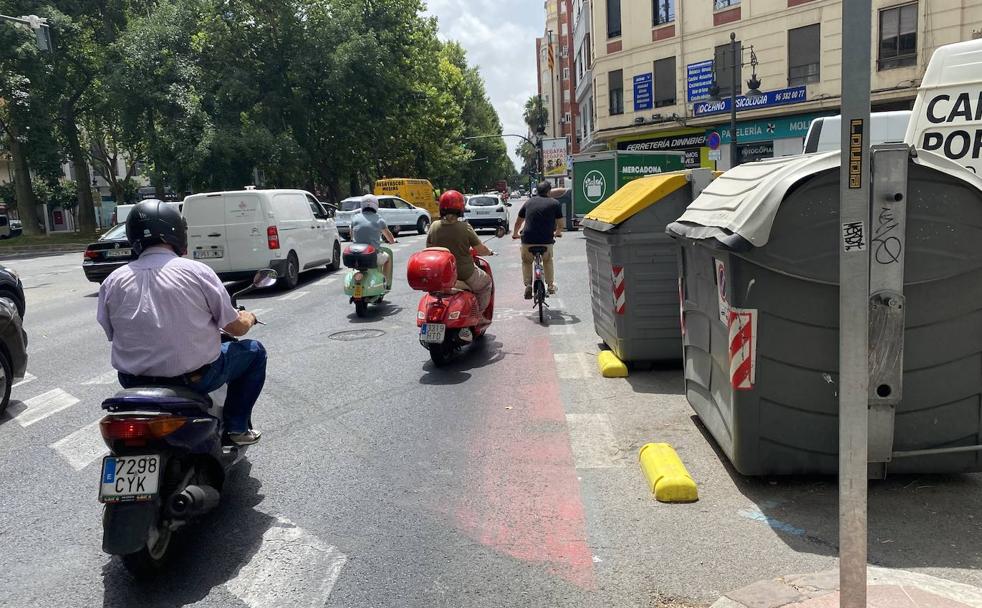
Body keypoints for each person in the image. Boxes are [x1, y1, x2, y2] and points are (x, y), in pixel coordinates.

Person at [96, 200, 266, 445]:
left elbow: (110, 331)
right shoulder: (196, 272)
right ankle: (237, 428)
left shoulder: (113, 281)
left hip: (132, 381)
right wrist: (248, 317)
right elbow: (234, 327)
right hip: (194, 378)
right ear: (177, 232)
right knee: (255, 352)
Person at [426, 190, 494, 314]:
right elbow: (480, 250)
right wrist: (489, 252)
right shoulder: (465, 227)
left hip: (440, 275)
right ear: (460, 208)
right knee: (486, 284)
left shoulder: (434, 226)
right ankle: (478, 314)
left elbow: (429, 248)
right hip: (464, 274)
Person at [512, 180, 563, 299]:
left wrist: (515, 234)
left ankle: (528, 284)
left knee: (526, 261)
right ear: (549, 191)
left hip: (528, 239)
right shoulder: (555, 203)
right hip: (546, 241)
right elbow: (560, 224)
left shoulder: (528, 202)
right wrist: (558, 233)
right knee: (548, 260)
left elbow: (518, 222)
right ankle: (550, 285)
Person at [350, 194, 397, 288]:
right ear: (376, 205)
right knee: (387, 258)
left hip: (356, 256)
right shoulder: (379, 220)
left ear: (362, 205)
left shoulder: (355, 218)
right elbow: (389, 237)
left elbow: (352, 236)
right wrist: (392, 241)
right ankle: (385, 282)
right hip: (372, 256)